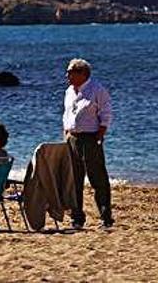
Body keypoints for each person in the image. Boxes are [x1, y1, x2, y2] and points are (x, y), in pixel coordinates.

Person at [63, 58, 114, 229]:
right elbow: (67, 113)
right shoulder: (69, 91)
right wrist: (66, 132)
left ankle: (105, 217)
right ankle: (77, 218)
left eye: (70, 72)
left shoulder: (97, 90)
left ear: (82, 73)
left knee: (97, 178)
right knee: (74, 179)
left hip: (90, 137)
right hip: (72, 138)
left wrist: (100, 134)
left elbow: (106, 113)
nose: (67, 75)